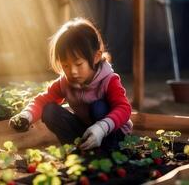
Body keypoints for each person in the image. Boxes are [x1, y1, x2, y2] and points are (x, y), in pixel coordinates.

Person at [9, 17, 133, 151]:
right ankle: (75, 150)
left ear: (96, 57)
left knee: (98, 107)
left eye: (78, 64)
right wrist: (26, 115)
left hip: (114, 133)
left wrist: (101, 128)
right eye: (66, 65)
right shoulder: (65, 83)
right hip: (86, 130)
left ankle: (107, 151)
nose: (73, 71)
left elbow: (124, 109)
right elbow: (42, 100)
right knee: (50, 110)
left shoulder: (109, 80)